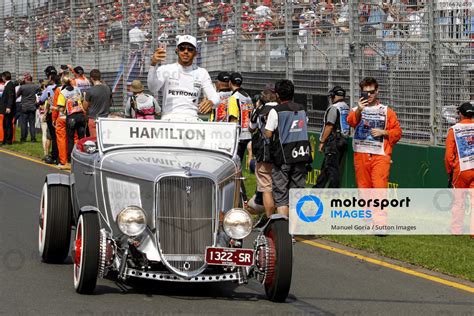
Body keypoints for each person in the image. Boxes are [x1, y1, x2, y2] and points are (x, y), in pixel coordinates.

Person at [265, 80, 313, 216]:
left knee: (281, 196)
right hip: (301, 154)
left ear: (278, 95)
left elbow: (268, 132)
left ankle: (285, 233)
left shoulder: (276, 111)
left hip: (283, 156)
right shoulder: (302, 108)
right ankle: (296, 228)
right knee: (297, 193)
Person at [147, 34, 220, 121]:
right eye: (182, 48)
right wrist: (153, 64)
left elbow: (215, 97)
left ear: (195, 53)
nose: (186, 51)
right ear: (177, 50)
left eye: (190, 49)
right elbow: (152, 88)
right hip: (169, 118)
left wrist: (211, 102)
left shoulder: (202, 72)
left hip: (192, 119)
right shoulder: (165, 69)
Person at [347, 77, 402, 189]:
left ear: (377, 91)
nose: (369, 95)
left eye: (372, 92)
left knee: (379, 190)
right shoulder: (355, 110)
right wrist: (359, 109)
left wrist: (384, 132)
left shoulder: (387, 111)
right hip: (361, 156)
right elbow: (351, 121)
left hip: (380, 156)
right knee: (364, 191)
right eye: (365, 92)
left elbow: (398, 132)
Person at [444, 102, 474, 236]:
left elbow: (449, 156)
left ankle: (456, 230)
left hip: (461, 169)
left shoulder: (454, 130)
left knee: (458, 201)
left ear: (460, 114)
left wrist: (449, 171)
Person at [249, 87, 278, 217]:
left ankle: (269, 218)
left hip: (265, 153)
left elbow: (251, 127)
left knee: (266, 188)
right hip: (283, 153)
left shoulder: (260, 110)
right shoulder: (282, 108)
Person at [314, 86, 350, 188]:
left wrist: (322, 142)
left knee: (332, 169)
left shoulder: (334, 108)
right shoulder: (346, 107)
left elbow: (329, 126)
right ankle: (317, 189)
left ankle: (334, 194)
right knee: (327, 167)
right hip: (342, 140)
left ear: (334, 96)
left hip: (334, 142)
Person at [56, 75, 86, 167]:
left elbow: (61, 108)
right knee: (81, 138)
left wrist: (53, 108)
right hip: (81, 116)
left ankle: (69, 161)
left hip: (71, 117)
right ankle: (83, 159)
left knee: (70, 140)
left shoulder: (63, 93)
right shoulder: (77, 89)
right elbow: (81, 100)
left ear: (63, 83)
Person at [38, 67, 59, 164]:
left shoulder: (50, 88)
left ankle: (55, 155)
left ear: (50, 77)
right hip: (64, 113)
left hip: (53, 113)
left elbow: (43, 100)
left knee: (53, 136)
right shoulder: (64, 86)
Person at [83, 69, 111, 137]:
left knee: (94, 141)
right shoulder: (108, 89)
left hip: (93, 119)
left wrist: (84, 97)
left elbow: (85, 107)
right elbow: (109, 103)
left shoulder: (90, 91)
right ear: (100, 77)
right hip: (105, 118)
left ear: (91, 78)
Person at [17, 73, 40, 142]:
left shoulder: (22, 87)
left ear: (26, 79)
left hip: (24, 106)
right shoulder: (36, 86)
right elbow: (39, 92)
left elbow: (17, 95)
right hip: (32, 106)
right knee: (32, 123)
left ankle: (23, 138)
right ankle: (33, 138)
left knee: (23, 123)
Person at [1, 72, 16, 145]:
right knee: (5, 124)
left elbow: (11, 97)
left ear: (4, 77)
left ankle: (8, 140)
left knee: (8, 124)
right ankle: (5, 139)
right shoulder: (8, 85)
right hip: (6, 108)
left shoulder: (10, 85)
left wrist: (8, 107)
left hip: (8, 109)